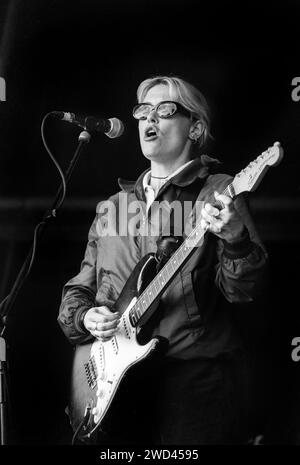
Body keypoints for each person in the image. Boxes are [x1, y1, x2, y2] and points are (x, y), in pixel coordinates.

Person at [58, 75, 268, 445]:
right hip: (113, 385)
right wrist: (84, 316)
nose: (149, 120)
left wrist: (235, 239)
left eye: (165, 110)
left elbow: (244, 292)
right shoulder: (113, 208)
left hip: (193, 379)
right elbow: (78, 291)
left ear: (195, 127)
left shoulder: (218, 192)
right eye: (143, 111)